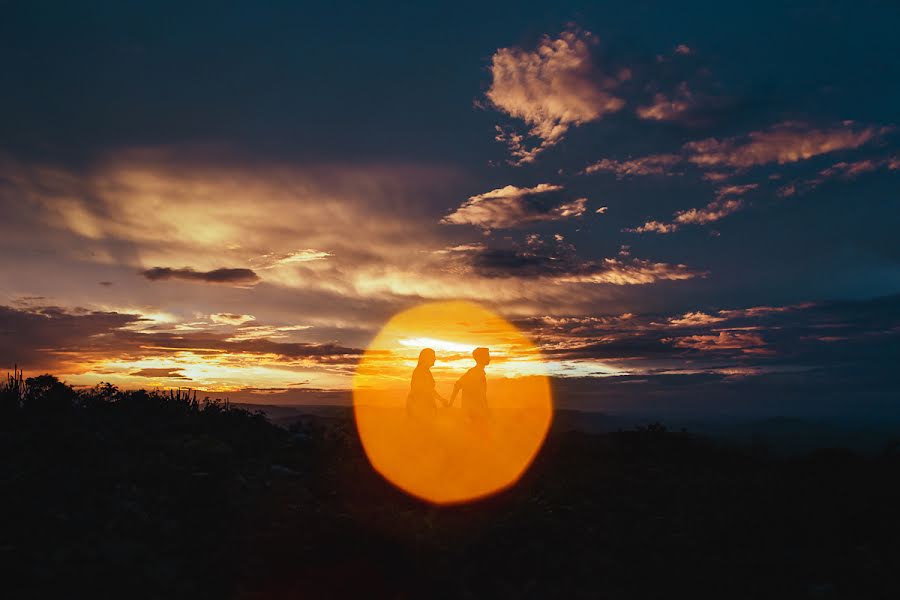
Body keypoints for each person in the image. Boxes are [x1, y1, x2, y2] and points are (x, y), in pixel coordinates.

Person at [447, 347, 490, 422]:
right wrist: (450, 403)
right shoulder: (474, 373)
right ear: (480, 358)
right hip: (474, 416)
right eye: (487, 356)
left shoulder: (477, 372)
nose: (489, 358)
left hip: (477, 414)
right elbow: (457, 385)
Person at [406, 348, 446, 420]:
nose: (435, 359)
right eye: (433, 357)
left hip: (420, 407)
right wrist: (441, 399)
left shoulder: (424, 371)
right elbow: (427, 390)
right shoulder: (421, 371)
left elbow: (429, 389)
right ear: (426, 358)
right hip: (420, 408)